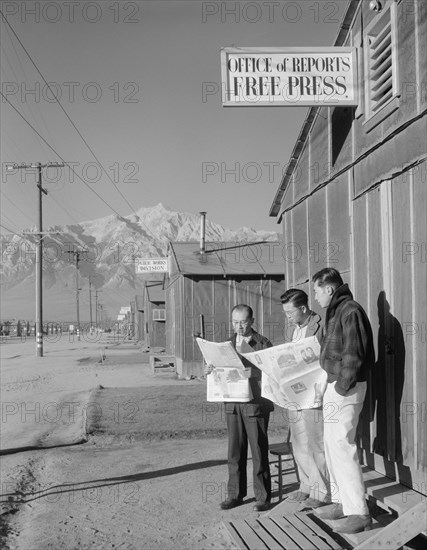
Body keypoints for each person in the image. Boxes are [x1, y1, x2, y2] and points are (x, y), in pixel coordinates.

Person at [312, 268, 374, 534]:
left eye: (316, 291)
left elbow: (354, 355)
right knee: (332, 445)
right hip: (336, 385)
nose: (314, 297)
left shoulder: (350, 310)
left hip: (345, 387)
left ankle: (359, 513)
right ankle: (341, 502)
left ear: (328, 288)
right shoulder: (337, 311)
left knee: (342, 445)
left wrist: (341, 386)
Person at [206, 304, 273, 512]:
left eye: (243, 322)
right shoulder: (225, 345)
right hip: (233, 404)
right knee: (235, 452)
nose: (239, 327)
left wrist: (254, 373)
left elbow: (273, 373)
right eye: (235, 322)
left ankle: (262, 497)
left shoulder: (263, 343)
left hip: (255, 405)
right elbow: (217, 371)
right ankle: (235, 495)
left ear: (252, 321)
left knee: (259, 451)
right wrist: (208, 369)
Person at [280, 288, 330, 508]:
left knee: (315, 443)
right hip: (294, 393)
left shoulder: (321, 325)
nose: (288, 317)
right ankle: (305, 486)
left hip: (313, 393)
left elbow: (326, 357)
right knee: (298, 442)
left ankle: (321, 492)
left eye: (290, 312)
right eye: (285, 313)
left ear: (303, 308)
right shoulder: (291, 329)